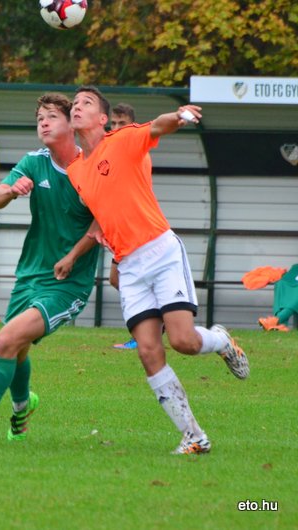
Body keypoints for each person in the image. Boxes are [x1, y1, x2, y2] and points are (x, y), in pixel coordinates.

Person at [67, 85, 249, 454]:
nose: (76, 107)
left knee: (183, 342)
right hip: (129, 266)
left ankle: (221, 340)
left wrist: (179, 116)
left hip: (161, 251)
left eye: (85, 103)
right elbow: (106, 209)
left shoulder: (121, 139)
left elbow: (157, 127)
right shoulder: (76, 171)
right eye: (74, 103)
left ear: (102, 118)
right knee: (149, 351)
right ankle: (194, 436)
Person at [0, 93, 99, 447]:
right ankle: (23, 408)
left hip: (67, 282)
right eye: (39, 118)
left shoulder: (91, 167)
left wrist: (73, 256)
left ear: (71, 125)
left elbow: (100, 226)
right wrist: (12, 190)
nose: (43, 123)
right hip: (30, 274)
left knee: (7, 339)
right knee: (18, 347)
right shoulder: (34, 161)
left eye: (51, 117)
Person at [109, 103, 141, 350]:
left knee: (126, 280)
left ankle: (141, 334)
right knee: (117, 279)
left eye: (123, 123)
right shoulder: (109, 149)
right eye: (114, 123)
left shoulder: (134, 148)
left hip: (136, 229)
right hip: (119, 229)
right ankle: (152, 322)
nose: (117, 128)